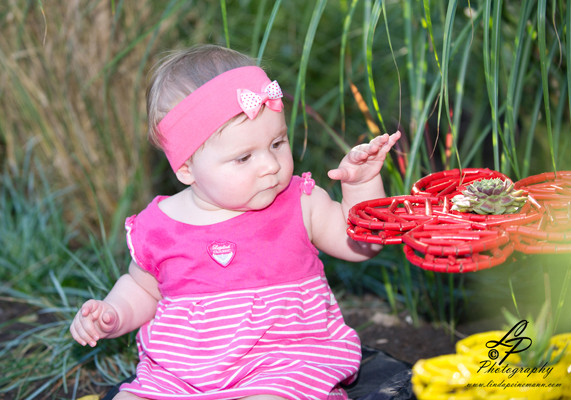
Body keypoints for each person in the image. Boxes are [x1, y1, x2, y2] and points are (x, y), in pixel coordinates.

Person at [70, 44, 401, 400]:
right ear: (186, 168)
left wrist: (362, 185)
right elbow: (142, 289)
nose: (270, 165)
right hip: (181, 374)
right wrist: (113, 313)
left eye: (277, 143)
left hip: (284, 363)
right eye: (244, 158)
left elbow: (362, 244)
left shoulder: (299, 202)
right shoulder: (159, 226)